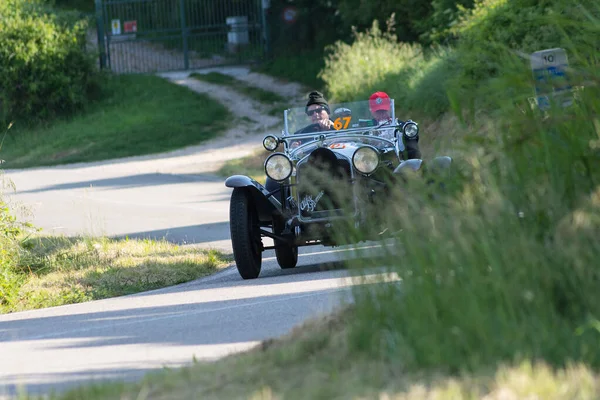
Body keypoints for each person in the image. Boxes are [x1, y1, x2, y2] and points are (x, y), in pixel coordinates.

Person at [368, 91, 421, 160]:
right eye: (378, 112)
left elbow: (413, 151)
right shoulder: (367, 128)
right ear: (371, 111)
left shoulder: (401, 126)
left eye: (384, 111)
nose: (382, 115)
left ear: (390, 109)